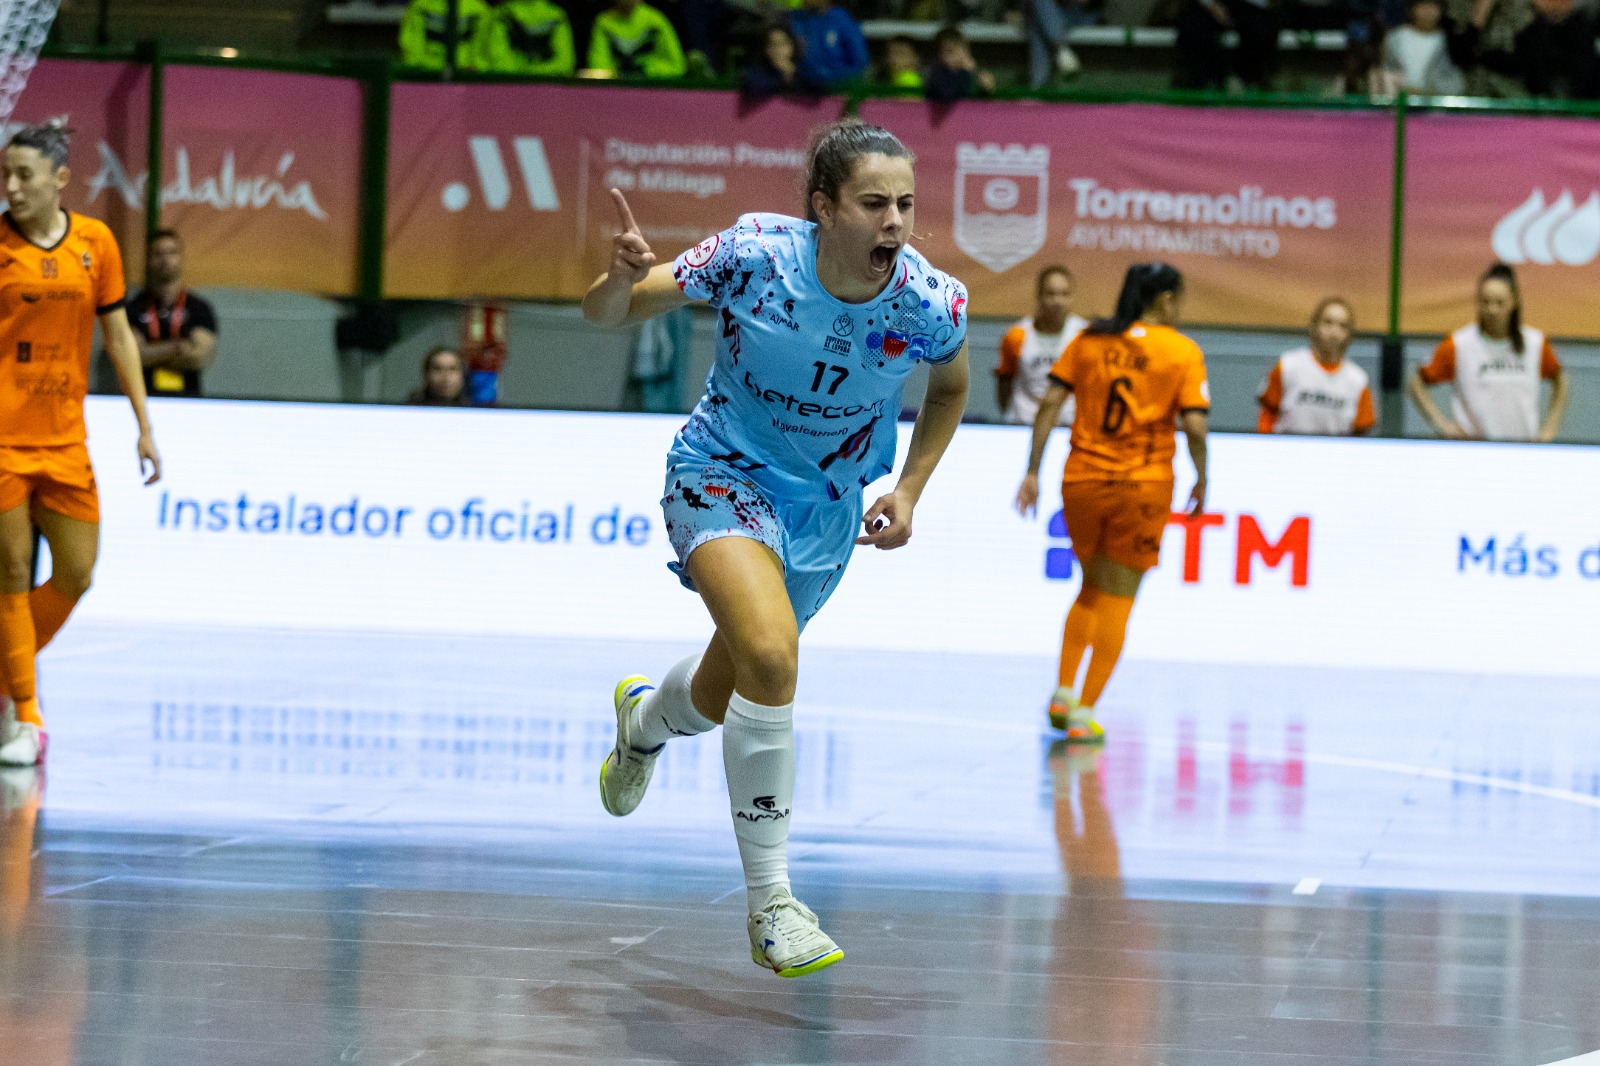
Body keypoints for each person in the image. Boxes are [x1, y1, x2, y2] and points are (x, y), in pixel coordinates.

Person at [581, 119, 969, 978]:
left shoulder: (930, 302)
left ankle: (642, 724)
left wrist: (908, 487)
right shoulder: (755, 254)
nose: (896, 221)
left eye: (906, 203)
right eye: (874, 203)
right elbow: (613, 310)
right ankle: (773, 905)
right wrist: (616, 281)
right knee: (770, 653)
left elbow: (951, 389)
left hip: (825, 513)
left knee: (731, 691)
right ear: (824, 208)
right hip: (720, 475)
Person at [0, 122, 161, 767]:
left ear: (61, 180)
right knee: (11, 574)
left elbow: (119, 338)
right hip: (4, 439)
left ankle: (8, 674)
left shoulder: (96, 242)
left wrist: (144, 425)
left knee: (76, 574)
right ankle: (26, 717)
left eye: (24, 176)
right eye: (5, 175)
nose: (11, 187)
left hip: (66, 441)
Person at [1014, 263, 1208, 743]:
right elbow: (1197, 427)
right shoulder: (1181, 351)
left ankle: (1062, 691)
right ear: (1165, 301)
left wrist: (1033, 470)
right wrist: (1204, 477)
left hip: (1080, 481)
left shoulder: (1089, 341)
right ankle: (1084, 711)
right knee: (1120, 597)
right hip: (1140, 487)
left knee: (1090, 585)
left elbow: (1048, 405)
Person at [1407, 262, 1568, 442]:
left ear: (1514, 302)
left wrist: (1550, 427)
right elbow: (1415, 383)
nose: (1492, 310)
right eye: (1485, 302)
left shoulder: (1535, 343)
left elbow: (1560, 379)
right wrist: (1442, 425)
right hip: (1473, 451)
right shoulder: (1459, 344)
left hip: (1523, 450)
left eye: (1500, 303)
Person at [1258, 297, 1376, 435]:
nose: (1334, 332)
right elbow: (1268, 413)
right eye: (1328, 323)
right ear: (1314, 325)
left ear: (1350, 334)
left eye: (1343, 326)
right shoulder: (1289, 365)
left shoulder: (1357, 380)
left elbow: (1361, 432)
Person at [128, 229, 219, 400]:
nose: (165, 260)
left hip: (188, 402)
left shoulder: (198, 308)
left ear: (181, 258)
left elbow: (200, 357)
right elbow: (132, 356)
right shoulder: (134, 308)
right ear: (148, 260)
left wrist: (152, 352)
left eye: (172, 252)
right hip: (143, 400)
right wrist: (178, 348)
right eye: (158, 254)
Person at [996, 265, 1086, 427]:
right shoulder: (1016, 335)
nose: (1057, 301)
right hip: (1022, 422)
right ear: (1039, 296)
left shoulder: (1083, 335)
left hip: (1067, 425)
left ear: (1072, 297)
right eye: (1051, 294)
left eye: (1064, 294)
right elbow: (1004, 383)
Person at [1382, 0, 1466, 92]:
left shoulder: (1450, 40)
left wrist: (1430, 93)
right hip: (1400, 101)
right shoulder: (1396, 38)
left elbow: (1456, 80)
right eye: (1422, 6)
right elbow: (1387, 71)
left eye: (1433, 6)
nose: (1428, 11)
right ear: (1411, 9)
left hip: (1435, 103)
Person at [587, 0, 687, 78]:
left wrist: (646, 70)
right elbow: (598, 68)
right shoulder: (604, 23)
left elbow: (677, 66)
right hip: (614, 89)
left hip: (650, 89)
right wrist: (617, 74)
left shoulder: (655, 20)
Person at [482, 0, 578, 75]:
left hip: (546, 86)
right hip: (511, 85)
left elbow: (565, 62)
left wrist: (531, 73)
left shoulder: (556, 15)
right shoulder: (502, 13)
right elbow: (496, 57)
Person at [790, 0, 870, 89]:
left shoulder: (842, 20)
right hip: (800, 88)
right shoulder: (796, 20)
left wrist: (832, 78)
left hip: (836, 90)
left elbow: (860, 62)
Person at [398, 0, 493, 71]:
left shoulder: (479, 9)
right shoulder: (420, 7)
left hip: (466, 74)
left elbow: (482, 47)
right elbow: (412, 47)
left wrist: (475, 67)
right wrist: (419, 72)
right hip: (428, 75)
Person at [741, 22, 827, 98]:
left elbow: (820, 89)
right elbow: (753, 88)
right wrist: (783, 78)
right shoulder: (759, 69)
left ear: (792, 46)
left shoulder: (803, 67)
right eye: (772, 44)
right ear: (766, 49)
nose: (777, 49)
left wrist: (792, 73)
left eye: (782, 44)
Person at [924, 25, 996, 102]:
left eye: (961, 48)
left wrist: (975, 70)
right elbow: (946, 95)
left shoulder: (968, 73)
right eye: (950, 51)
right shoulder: (936, 73)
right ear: (940, 54)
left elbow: (986, 96)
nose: (960, 55)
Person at [407, 347, 471, 406]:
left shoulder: (474, 412)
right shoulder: (409, 411)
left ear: (463, 375)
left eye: (452, 369)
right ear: (426, 374)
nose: (446, 377)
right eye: (438, 369)